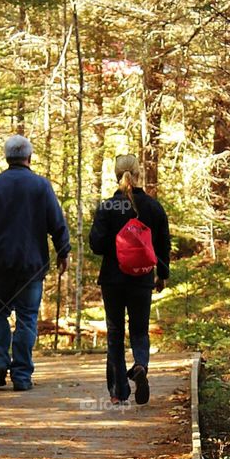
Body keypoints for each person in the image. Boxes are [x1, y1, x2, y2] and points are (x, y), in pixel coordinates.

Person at [0, 135, 71, 391]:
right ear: (29, 157)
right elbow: (57, 222)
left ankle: (0, 362)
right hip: (31, 265)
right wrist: (63, 251)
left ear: (7, 157)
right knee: (26, 319)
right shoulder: (40, 186)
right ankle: (22, 376)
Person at [89, 153, 171, 405]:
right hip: (142, 277)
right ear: (138, 174)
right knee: (139, 329)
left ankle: (118, 391)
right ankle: (140, 365)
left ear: (116, 175)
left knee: (115, 332)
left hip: (113, 279)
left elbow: (96, 245)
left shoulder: (107, 207)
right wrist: (162, 274)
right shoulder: (153, 207)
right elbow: (163, 244)